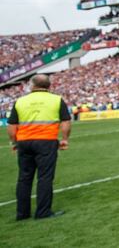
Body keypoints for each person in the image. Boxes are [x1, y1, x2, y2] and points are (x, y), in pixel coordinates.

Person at [6, 74, 70, 220]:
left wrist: (13, 142)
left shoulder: (20, 101)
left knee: (24, 178)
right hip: (46, 142)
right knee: (45, 177)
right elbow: (65, 122)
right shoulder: (56, 100)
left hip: (24, 142)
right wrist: (65, 139)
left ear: (32, 85)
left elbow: (11, 126)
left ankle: (22, 213)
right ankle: (43, 212)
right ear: (49, 86)